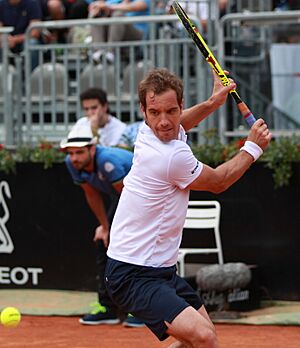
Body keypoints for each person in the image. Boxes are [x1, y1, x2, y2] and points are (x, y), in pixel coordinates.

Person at [105, 68, 272, 346]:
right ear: (144, 111)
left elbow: (180, 124)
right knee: (204, 337)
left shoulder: (147, 132)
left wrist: (212, 103)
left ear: (180, 106)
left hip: (161, 271)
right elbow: (218, 182)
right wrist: (253, 148)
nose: (163, 122)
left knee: (197, 341)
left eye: (171, 111)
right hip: (132, 274)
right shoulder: (170, 157)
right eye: (155, 113)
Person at [60, 123, 145, 327]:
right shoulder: (72, 164)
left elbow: (128, 197)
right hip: (123, 198)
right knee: (103, 242)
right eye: (71, 153)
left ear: (92, 148)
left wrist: (127, 231)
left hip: (144, 198)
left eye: (79, 152)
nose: (75, 158)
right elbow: (91, 195)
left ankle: (144, 310)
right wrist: (105, 227)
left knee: (136, 248)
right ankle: (108, 309)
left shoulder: (108, 160)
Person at [0, 0, 43, 70]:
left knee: (32, 44)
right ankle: (3, 77)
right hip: (8, 40)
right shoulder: (1, 4)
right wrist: (3, 38)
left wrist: (15, 40)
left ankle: (32, 78)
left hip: (25, 40)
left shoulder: (32, 3)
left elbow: (35, 32)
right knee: (2, 43)